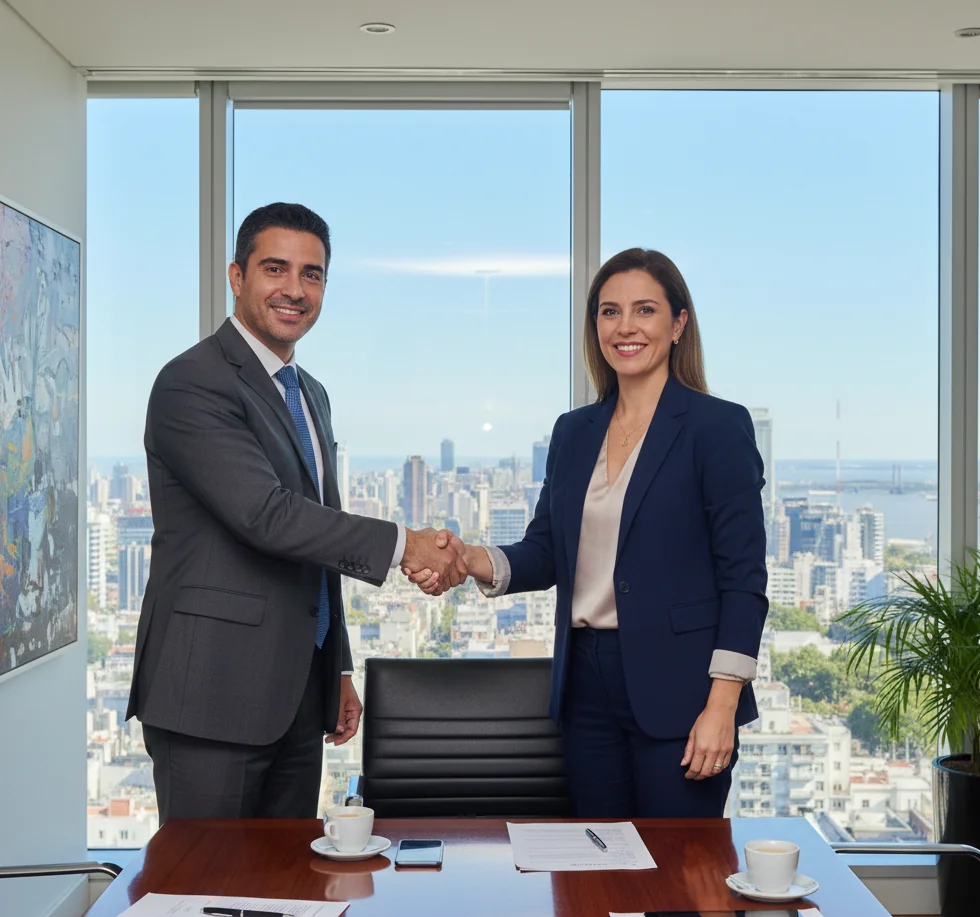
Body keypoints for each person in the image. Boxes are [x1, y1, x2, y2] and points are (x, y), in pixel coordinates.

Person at [127, 202, 465, 822]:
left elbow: (317, 542)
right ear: (237, 276)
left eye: (312, 274)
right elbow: (268, 516)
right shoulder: (191, 382)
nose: (295, 289)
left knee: (286, 898)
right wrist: (405, 545)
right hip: (211, 696)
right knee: (206, 897)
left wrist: (335, 668)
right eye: (275, 268)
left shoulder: (310, 394)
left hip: (295, 698)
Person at [410, 248, 767, 817]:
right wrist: (467, 558)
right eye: (609, 312)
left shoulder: (716, 427)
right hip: (585, 685)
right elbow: (548, 551)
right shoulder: (575, 431)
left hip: (680, 689)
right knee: (597, 870)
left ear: (678, 324)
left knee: (674, 880)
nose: (625, 327)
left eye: (644, 310)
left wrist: (722, 703)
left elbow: (744, 580)